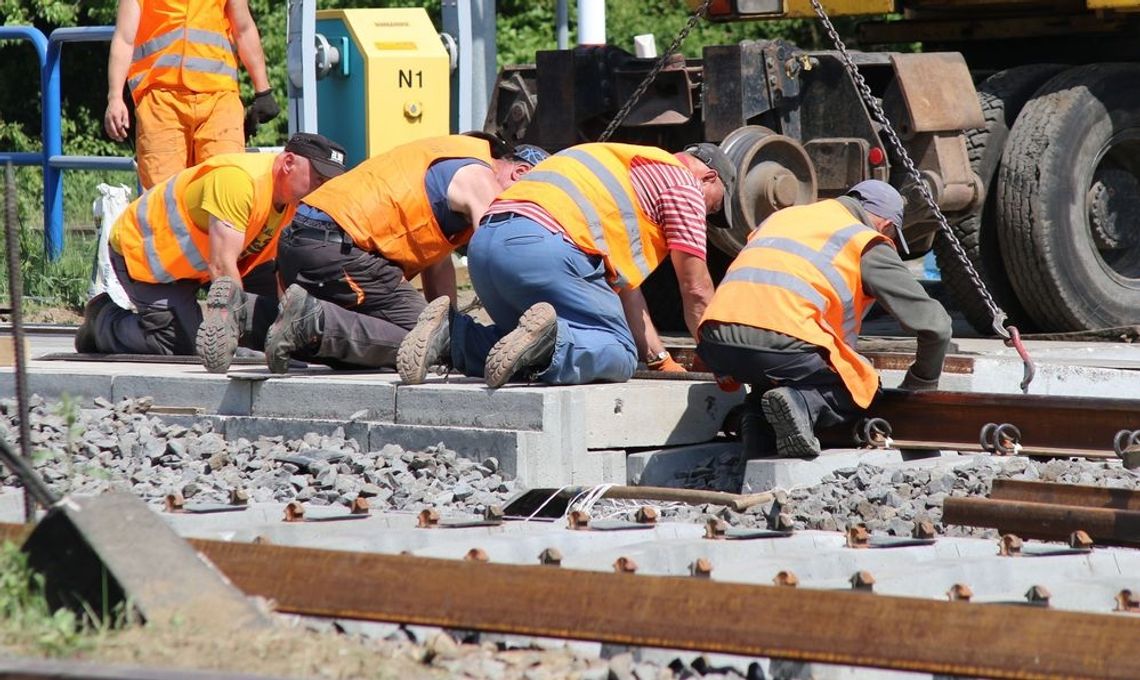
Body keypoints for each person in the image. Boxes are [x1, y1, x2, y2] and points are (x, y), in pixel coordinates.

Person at [396, 141, 734, 389]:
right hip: (544, 246)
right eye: (714, 208)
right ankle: (549, 343)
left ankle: (452, 335)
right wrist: (718, 360)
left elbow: (626, 292)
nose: (706, 217)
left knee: (517, 344)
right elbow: (697, 289)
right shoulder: (683, 184)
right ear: (709, 177)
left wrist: (662, 363)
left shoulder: (620, 163)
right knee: (618, 351)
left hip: (486, 246)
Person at [695, 180, 953, 459]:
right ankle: (802, 404)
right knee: (861, 384)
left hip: (714, 342)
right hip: (780, 342)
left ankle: (756, 421)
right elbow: (936, 325)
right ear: (885, 223)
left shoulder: (782, 218)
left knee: (778, 370)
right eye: (891, 232)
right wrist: (921, 383)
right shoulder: (863, 239)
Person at [260, 134, 548, 373]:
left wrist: (449, 320)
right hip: (338, 248)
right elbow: (498, 256)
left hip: (304, 240)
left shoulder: (452, 164)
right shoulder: (481, 178)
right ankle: (314, 322)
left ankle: (241, 313)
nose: (525, 211)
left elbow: (437, 266)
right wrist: (525, 329)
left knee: (417, 337)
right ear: (520, 172)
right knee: (433, 341)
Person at [74, 133, 347, 371]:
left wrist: (284, 328)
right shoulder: (238, 181)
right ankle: (102, 322)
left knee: (266, 321)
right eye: (318, 178)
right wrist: (229, 329)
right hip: (148, 256)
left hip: (200, 264)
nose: (321, 188)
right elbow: (221, 266)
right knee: (182, 344)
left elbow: (280, 269)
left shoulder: (292, 198)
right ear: (288, 163)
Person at [104, 0, 280, 189]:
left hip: (219, 99)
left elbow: (243, 29)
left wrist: (263, 90)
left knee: (226, 186)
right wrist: (115, 97)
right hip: (160, 103)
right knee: (163, 198)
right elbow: (124, 39)